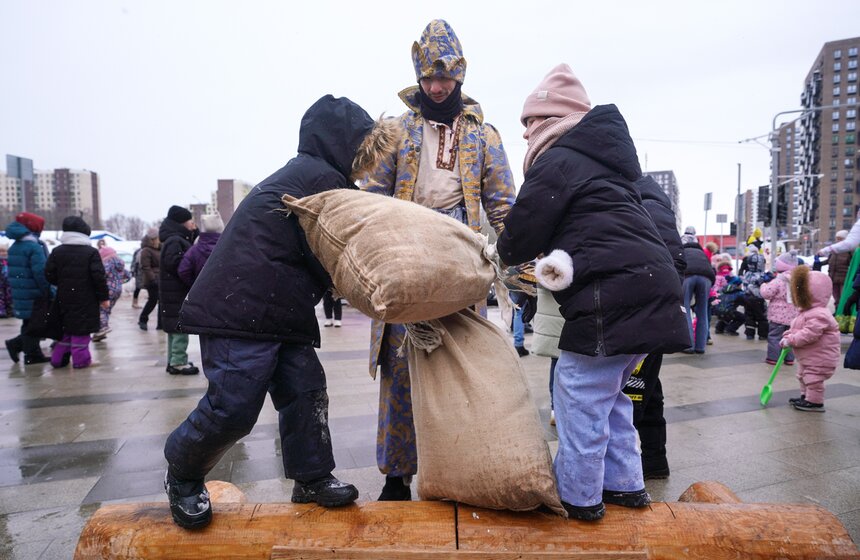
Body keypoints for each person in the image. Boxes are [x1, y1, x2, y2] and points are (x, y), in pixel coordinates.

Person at [164, 94, 400, 530]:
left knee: (305, 390)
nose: (366, 163)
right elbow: (350, 248)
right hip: (239, 309)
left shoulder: (316, 175)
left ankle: (311, 477)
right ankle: (182, 472)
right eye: (363, 152)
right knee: (233, 406)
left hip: (279, 308)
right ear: (345, 145)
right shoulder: (322, 181)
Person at [496, 63, 689, 521]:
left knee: (578, 392)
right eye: (523, 124)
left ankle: (578, 496)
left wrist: (501, 254)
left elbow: (519, 234)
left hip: (612, 297)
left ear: (556, 122)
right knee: (615, 397)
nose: (526, 135)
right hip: (647, 291)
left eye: (533, 122)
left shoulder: (560, 160)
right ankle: (626, 484)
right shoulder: (608, 166)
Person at [361, 19, 517, 501]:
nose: (437, 86)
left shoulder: (483, 135)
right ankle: (396, 477)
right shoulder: (393, 132)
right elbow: (368, 197)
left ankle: (458, 464)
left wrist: (519, 266)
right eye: (430, 78)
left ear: (461, 78)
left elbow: (504, 207)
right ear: (419, 77)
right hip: (406, 255)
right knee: (401, 364)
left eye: (446, 78)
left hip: (460, 262)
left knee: (458, 366)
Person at [624, 175, 687, 480]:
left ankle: (627, 471)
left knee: (635, 390)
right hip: (652, 310)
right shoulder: (653, 201)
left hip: (643, 312)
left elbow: (667, 262)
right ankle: (654, 461)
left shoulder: (642, 202)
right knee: (650, 389)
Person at [44, 217, 110, 368]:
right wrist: (104, 297)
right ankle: (82, 361)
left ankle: (58, 359)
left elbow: (49, 274)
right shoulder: (90, 252)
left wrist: (64, 283)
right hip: (86, 298)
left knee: (67, 329)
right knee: (81, 330)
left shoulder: (57, 251)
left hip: (64, 296)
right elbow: (98, 277)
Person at [781, 266, 840, 412]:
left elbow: (809, 334)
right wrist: (788, 335)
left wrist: (792, 340)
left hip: (820, 358)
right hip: (809, 357)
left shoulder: (820, 314)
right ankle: (806, 397)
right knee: (802, 376)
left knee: (813, 379)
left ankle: (815, 402)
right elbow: (797, 329)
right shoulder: (806, 312)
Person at [4, 212, 51, 364]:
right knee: (36, 325)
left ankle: (32, 354)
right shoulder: (33, 246)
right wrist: (49, 290)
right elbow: (41, 273)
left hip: (22, 292)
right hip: (34, 293)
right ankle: (19, 347)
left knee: (30, 323)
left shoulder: (16, 246)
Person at [159, 205, 200, 376]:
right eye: (191, 221)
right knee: (178, 328)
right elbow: (176, 264)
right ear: (182, 222)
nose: (193, 224)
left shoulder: (174, 238)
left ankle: (173, 360)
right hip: (176, 291)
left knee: (174, 328)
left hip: (172, 291)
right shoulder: (175, 240)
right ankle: (178, 362)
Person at [760, 251, 800, 366]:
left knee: (774, 337)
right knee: (790, 337)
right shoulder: (798, 281)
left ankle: (773, 358)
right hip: (793, 316)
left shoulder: (779, 280)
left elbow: (767, 293)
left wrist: (763, 286)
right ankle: (789, 359)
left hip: (777, 316)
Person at [680, 232, 715, 354]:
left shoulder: (682, 251)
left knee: (685, 310)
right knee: (703, 311)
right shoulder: (702, 253)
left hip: (687, 276)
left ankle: (688, 345)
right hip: (706, 279)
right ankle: (700, 346)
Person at [93, 245, 131, 342]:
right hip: (117, 290)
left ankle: (103, 328)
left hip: (107, 289)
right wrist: (119, 282)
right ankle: (101, 329)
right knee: (107, 309)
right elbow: (128, 276)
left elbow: (101, 274)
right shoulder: (120, 264)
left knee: (101, 309)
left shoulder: (107, 264)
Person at [177, 213, 223, 288]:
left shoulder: (194, 250)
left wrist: (195, 285)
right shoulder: (228, 247)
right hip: (225, 293)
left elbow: (183, 271)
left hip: (202, 293)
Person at [740, 245, 769, 340]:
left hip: (747, 298)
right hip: (758, 299)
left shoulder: (747, 274)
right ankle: (763, 334)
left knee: (749, 316)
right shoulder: (761, 275)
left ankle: (750, 334)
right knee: (761, 317)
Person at [138, 229, 160, 331]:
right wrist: (153, 279)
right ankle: (143, 319)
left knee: (161, 302)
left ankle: (161, 324)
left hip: (160, 279)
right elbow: (146, 267)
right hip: (151, 281)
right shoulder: (146, 250)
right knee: (153, 300)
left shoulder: (160, 248)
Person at [825, 230, 852, 304]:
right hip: (833, 277)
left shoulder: (849, 250)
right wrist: (819, 263)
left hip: (844, 278)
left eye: (840, 238)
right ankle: (837, 310)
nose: (838, 240)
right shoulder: (835, 250)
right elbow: (829, 260)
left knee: (843, 297)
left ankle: (842, 312)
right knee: (836, 296)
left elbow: (852, 263)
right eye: (837, 238)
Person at [0, 242, 13, 318]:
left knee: (9, 297)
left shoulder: (9, 260)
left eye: (4, 251)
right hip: (1, 282)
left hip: (8, 282)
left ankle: (10, 311)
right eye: (1, 251)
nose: (3, 253)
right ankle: (2, 311)